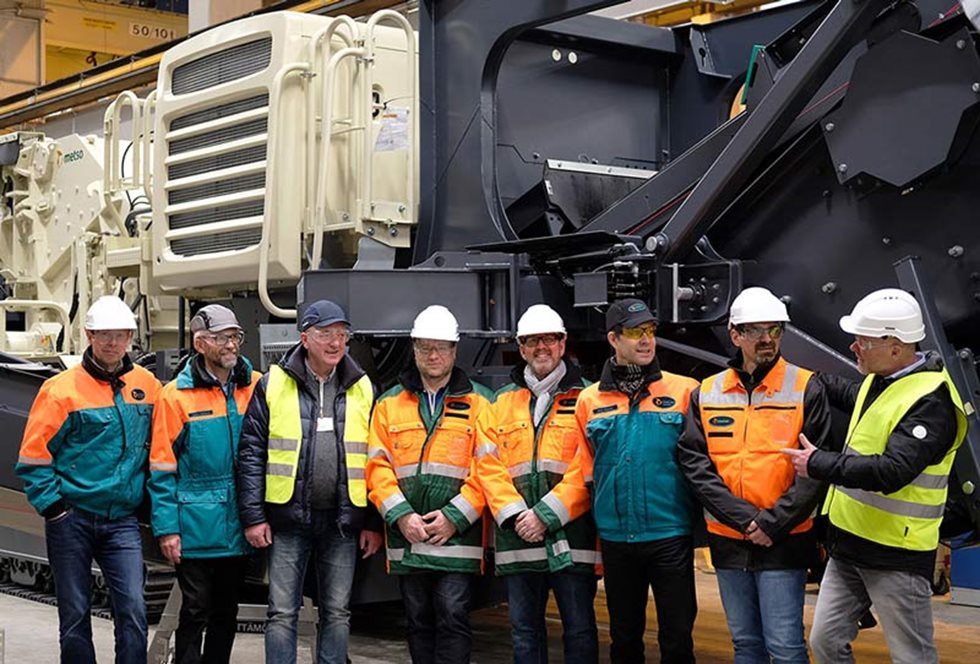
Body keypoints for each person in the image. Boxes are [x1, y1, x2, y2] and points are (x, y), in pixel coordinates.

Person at [783, 288, 967, 664]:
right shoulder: (882, 381)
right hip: (849, 546)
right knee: (826, 642)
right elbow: (855, 396)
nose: (853, 348)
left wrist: (818, 463)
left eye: (862, 341)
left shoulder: (932, 403)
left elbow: (891, 471)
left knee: (912, 656)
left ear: (896, 347)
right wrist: (806, 379)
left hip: (895, 556)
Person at [677, 287, 832, 664]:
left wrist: (772, 523)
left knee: (785, 645)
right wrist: (746, 520)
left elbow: (815, 470)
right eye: (755, 330)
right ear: (735, 335)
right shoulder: (708, 392)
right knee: (745, 642)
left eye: (775, 330)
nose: (766, 339)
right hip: (730, 540)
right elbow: (695, 464)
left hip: (784, 540)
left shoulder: (806, 387)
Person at [16, 295, 161, 664]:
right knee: (75, 613)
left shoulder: (147, 386)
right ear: (89, 335)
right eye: (104, 335)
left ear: (130, 337)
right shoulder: (61, 390)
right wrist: (55, 510)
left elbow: (161, 447)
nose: (112, 343)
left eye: (120, 335)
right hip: (72, 519)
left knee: (133, 609)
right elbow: (33, 457)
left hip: (122, 521)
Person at [237, 299, 383, 664]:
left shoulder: (363, 387)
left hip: (343, 521)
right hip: (288, 519)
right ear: (305, 337)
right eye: (326, 334)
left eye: (342, 335)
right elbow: (252, 452)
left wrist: (372, 522)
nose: (336, 343)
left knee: (337, 611)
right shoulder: (274, 384)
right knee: (282, 612)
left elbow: (378, 459)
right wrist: (254, 517)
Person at [366, 305, 494, 664]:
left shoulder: (481, 402)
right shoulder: (388, 403)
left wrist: (455, 515)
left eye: (441, 347)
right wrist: (402, 517)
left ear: (455, 350)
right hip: (408, 535)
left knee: (453, 613)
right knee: (418, 618)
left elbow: (488, 468)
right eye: (425, 347)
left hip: (458, 536)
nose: (433, 355)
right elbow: (376, 468)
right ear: (414, 349)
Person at [575, 298, 700, 664]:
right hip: (616, 539)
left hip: (669, 535)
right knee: (624, 640)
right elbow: (587, 472)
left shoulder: (684, 391)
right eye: (635, 333)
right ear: (614, 339)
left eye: (650, 331)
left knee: (677, 640)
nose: (646, 340)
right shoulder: (589, 400)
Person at [478, 304, 600, 664]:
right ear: (521, 347)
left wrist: (546, 514)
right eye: (532, 341)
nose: (541, 347)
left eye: (548, 339)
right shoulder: (500, 403)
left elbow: (588, 464)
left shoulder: (588, 398)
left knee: (579, 630)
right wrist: (517, 515)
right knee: (525, 632)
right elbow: (488, 464)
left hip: (571, 537)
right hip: (518, 538)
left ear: (563, 344)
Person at [148, 304, 261, 663]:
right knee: (195, 610)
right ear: (200, 344)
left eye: (235, 337)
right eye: (222, 338)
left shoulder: (255, 386)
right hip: (194, 524)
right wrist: (167, 529)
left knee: (226, 611)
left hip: (239, 520)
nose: (231, 345)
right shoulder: (175, 397)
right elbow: (162, 468)